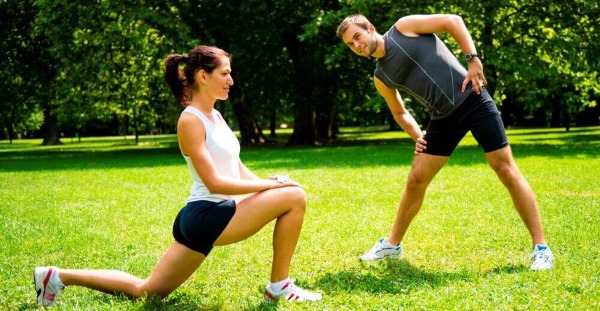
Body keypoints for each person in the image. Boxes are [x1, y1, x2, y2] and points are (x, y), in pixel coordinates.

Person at [33, 45, 323, 307]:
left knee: (146, 291)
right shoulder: (190, 120)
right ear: (203, 76)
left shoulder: (216, 116)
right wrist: (275, 187)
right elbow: (215, 183)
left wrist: (271, 182)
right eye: (225, 73)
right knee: (295, 196)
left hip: (204, 217)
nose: (231, 81)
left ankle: (57, 276)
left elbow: (234, 168)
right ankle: (279, 287)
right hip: (209, 213)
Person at [336, 14, 554, 270]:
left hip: (472, 98)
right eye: (350, 44)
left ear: (370, 28)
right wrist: (419, 137)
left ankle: (541, 248)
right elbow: (400, 112)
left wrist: (473, 59)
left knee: (504, 168)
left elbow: (453, 21)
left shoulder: (403, 28)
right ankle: (392, 245)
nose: (357, 45)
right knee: (416, 178)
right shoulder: (381, 76)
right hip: (442, 118)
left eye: (357, 37)